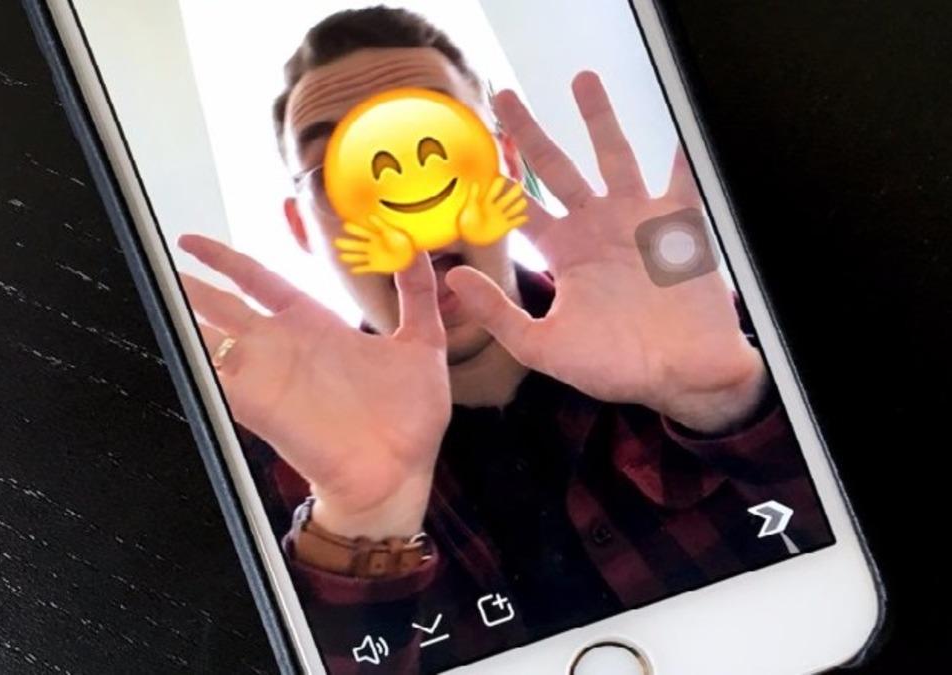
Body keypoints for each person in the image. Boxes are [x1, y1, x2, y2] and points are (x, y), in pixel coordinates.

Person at [176, 7, 829, 673]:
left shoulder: (710, 336)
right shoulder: (281, 463)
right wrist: (360, 527)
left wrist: (728, 403)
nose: (404, 202)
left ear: (505, 165)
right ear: (302, 227)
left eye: (435, 143)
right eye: (337, 173)